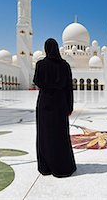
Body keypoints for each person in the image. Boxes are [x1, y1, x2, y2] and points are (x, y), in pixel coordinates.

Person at [33, 38, 76, 177]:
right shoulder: (65, 66)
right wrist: (69, 107)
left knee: (45, 135)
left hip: (45, 103)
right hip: (60, 104)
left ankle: (46, 167)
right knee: (60, 135)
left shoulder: (41, 64)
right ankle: (62, 167)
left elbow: (37, 82)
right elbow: (69, 89)